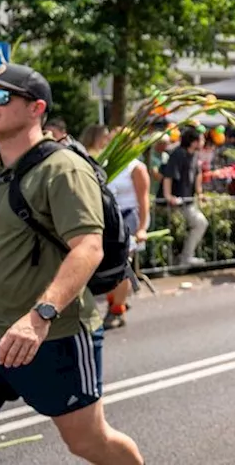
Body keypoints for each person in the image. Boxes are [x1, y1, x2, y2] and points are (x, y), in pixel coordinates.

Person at [0, 64, 143, 463]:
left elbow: (88, 247)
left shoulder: (63, 169)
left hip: (53, 337)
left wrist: (40, 315)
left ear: (36, 109)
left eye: (0, 96)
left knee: (89, 443)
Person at [81, 126, 150, 330]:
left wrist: (142, 228)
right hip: (109, 218)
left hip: (128, 219)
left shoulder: (136, 167)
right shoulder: (107, 163)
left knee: (122, 265)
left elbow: (143, 200)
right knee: (108, 263)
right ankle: (116, 301)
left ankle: (117, 310)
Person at [161, 129, 208, 266]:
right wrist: (168, 196)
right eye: (201, 139)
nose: (203, 142)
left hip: (187, 200)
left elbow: (197, 175)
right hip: (178, 201)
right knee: (200, 223)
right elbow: (168, 176)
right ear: (194, 142)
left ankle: (186, 257)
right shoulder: (178, 154)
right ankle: (185, 257)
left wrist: (200, 193)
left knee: (200, 224)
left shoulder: (194, 155)